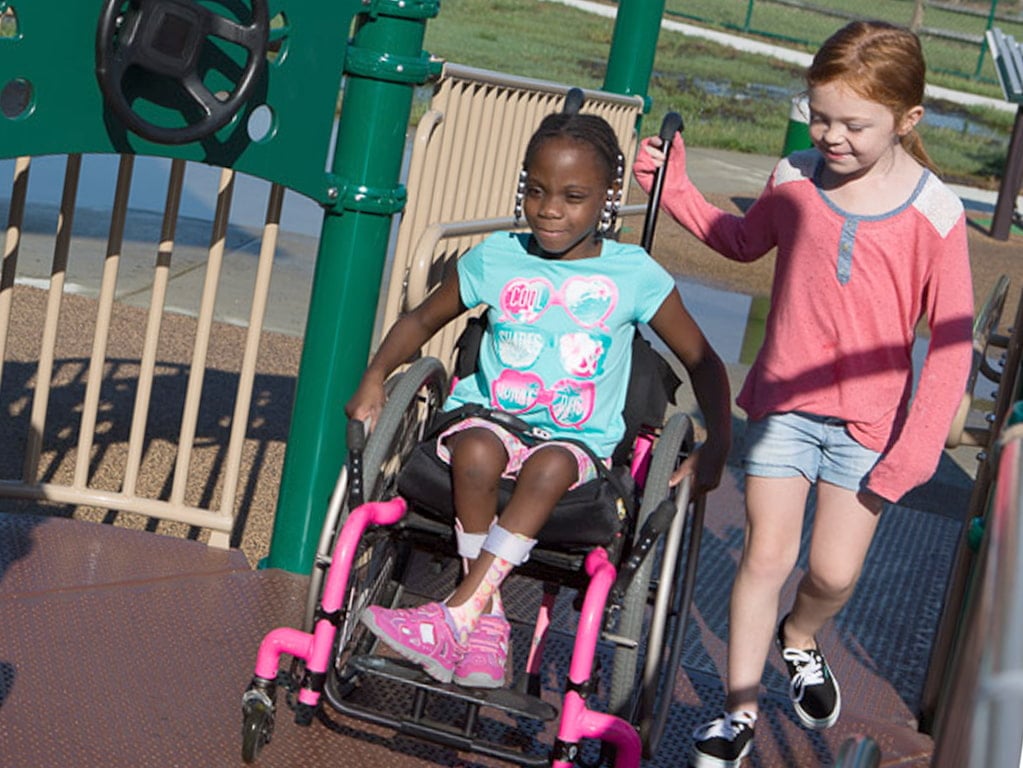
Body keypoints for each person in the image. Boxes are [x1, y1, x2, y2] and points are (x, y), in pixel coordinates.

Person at [633, 20, 973, 768]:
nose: (832, 136)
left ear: (906, 120)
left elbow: (951, 346)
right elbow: (740, 241)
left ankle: (799, 636)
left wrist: (910, 457)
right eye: (820, 116)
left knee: (832, 573)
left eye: (854, 124)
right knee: (764, 556)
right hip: (786, 406)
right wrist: (673, 187)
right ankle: (738, 714)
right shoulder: (793, 178)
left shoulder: (934, 215)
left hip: (868, 426)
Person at [345, 111, 732, 689]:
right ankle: (482, 622)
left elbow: (703, 362)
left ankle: (456, 616)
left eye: (574, 197)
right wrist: (375, 377)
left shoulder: (636, 275)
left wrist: (717, 447)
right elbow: (422, 318)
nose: (550, 208)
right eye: (537, 190)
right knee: (475, 448)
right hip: (491, 423)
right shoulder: (495, 258)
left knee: (550, 463)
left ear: (608, 198)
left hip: (575, 448)